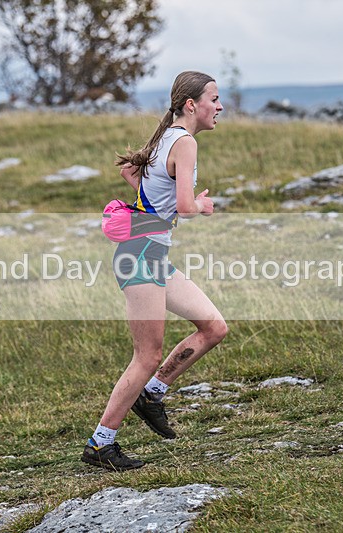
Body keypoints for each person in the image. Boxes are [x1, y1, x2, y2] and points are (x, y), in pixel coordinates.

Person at [82, 71, 229, 471]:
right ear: (191, 105)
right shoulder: (186, 143)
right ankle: (100, 445)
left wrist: (168, 203)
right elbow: (183, 206)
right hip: (141, 254)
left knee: (214, 327)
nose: (220, 107)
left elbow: (133, 175)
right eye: (214, 99)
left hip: (152, 254)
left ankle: (153, 394)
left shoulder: (167, 137)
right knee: (146, 355)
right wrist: (201, 205)